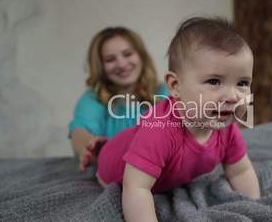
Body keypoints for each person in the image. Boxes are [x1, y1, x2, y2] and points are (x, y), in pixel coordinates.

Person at [96, 17, 260, 222]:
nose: (233, 96)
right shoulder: (160, 129)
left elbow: (240, 171)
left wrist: (256, 207)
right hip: (113, 166)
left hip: (157, 167)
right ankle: (97, 151)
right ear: (175, 86)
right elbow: (136, 187)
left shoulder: (225, 126)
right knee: (127, 163)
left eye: (242, 83)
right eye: (215, 81)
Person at [69, 27, 169, 172]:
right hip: (114, 173)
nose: (122, 64)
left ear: (141, 56)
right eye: (110, 59)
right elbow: (79, 129)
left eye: (128, 54)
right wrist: (88, 147)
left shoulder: (165, 93)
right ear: (100, 67)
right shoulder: (93, 99)